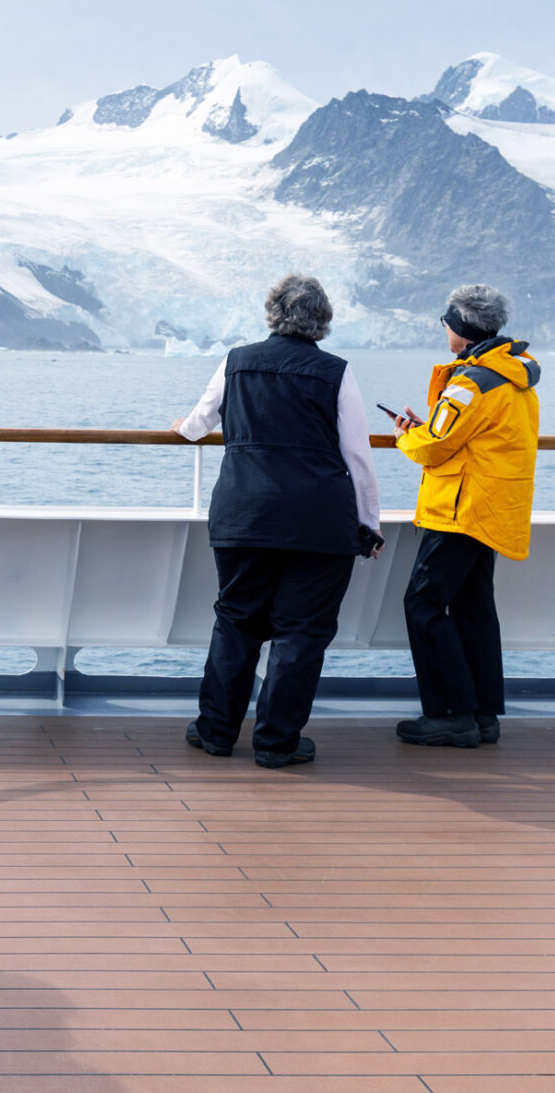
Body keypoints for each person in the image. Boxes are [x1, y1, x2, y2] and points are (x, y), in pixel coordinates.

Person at [173, 274, 384, 770]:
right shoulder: (336, 371)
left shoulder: (237, 360)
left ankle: (216, 732)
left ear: (272, 314)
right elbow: (357, 454)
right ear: (322, 321)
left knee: (237, 620)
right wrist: (368, 521)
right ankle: (276, 742)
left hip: (244, 513)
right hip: (318, 521)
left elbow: (198, 424)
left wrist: (182, 431)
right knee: (301, 631)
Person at [389, 284, 540, 748]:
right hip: (491, 506)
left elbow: (437, 444)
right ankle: (483, 715)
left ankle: (452, 715)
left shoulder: (472, 381)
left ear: (463, 328)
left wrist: (405, 436)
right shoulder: (513, 378)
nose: (444, 328)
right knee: (474, 609)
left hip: (460, 508)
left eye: (447, 321)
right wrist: (432, 425)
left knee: (423, 604)